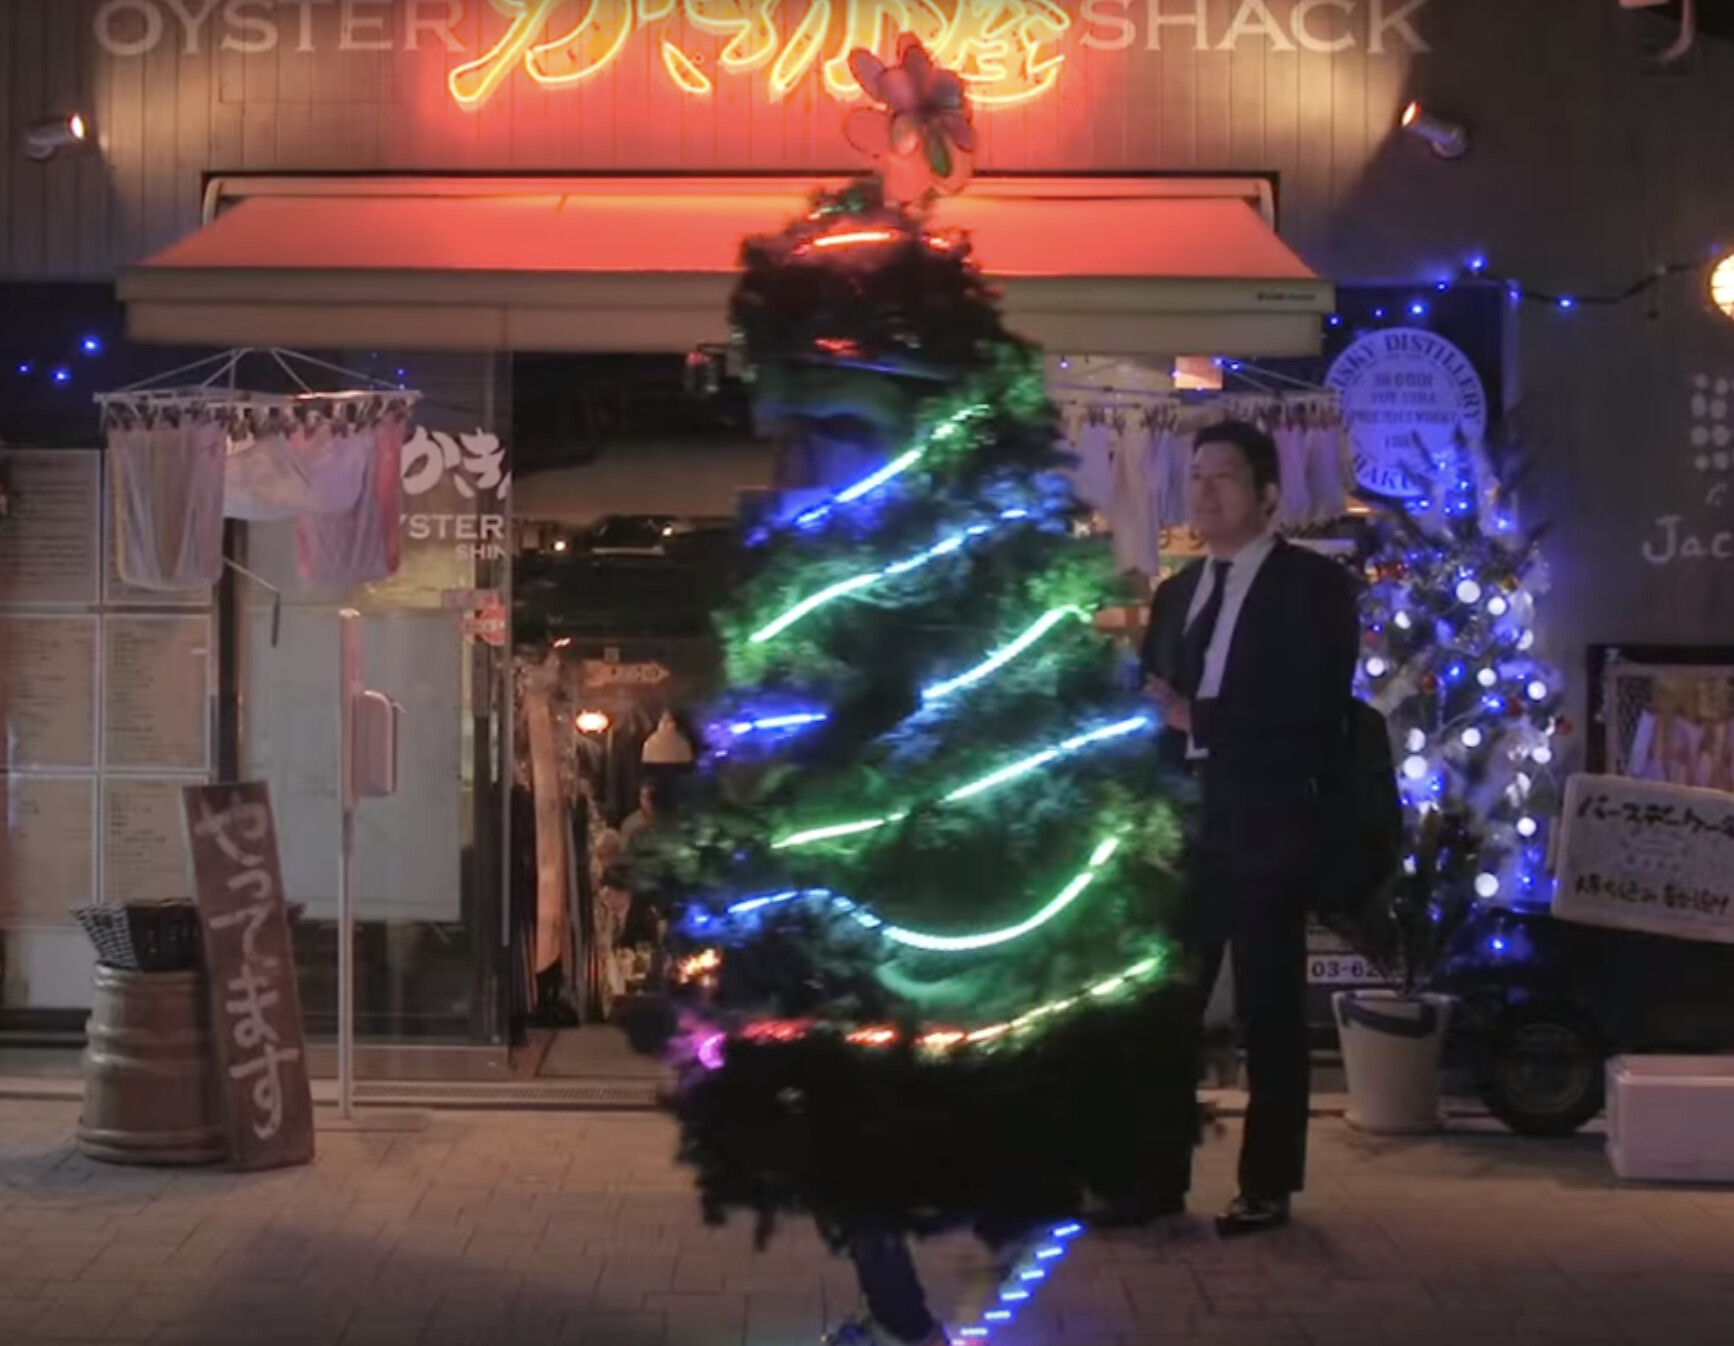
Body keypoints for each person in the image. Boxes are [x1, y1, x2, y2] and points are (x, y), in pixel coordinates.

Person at [1139, 420, 1359, 1238]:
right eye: (1195, 475)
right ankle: (1150, 1178)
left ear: (1268, 494)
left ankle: (1266, 1185)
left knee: (1269, 1012)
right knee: (1166, 1007)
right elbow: (1155, 701)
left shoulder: (1312, 587)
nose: (1203, 491)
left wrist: (1200, 717)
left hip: (1268, 821)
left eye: (1222, 476)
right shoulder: (1176, 592)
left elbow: (1315, 707)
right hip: (1183, 827)